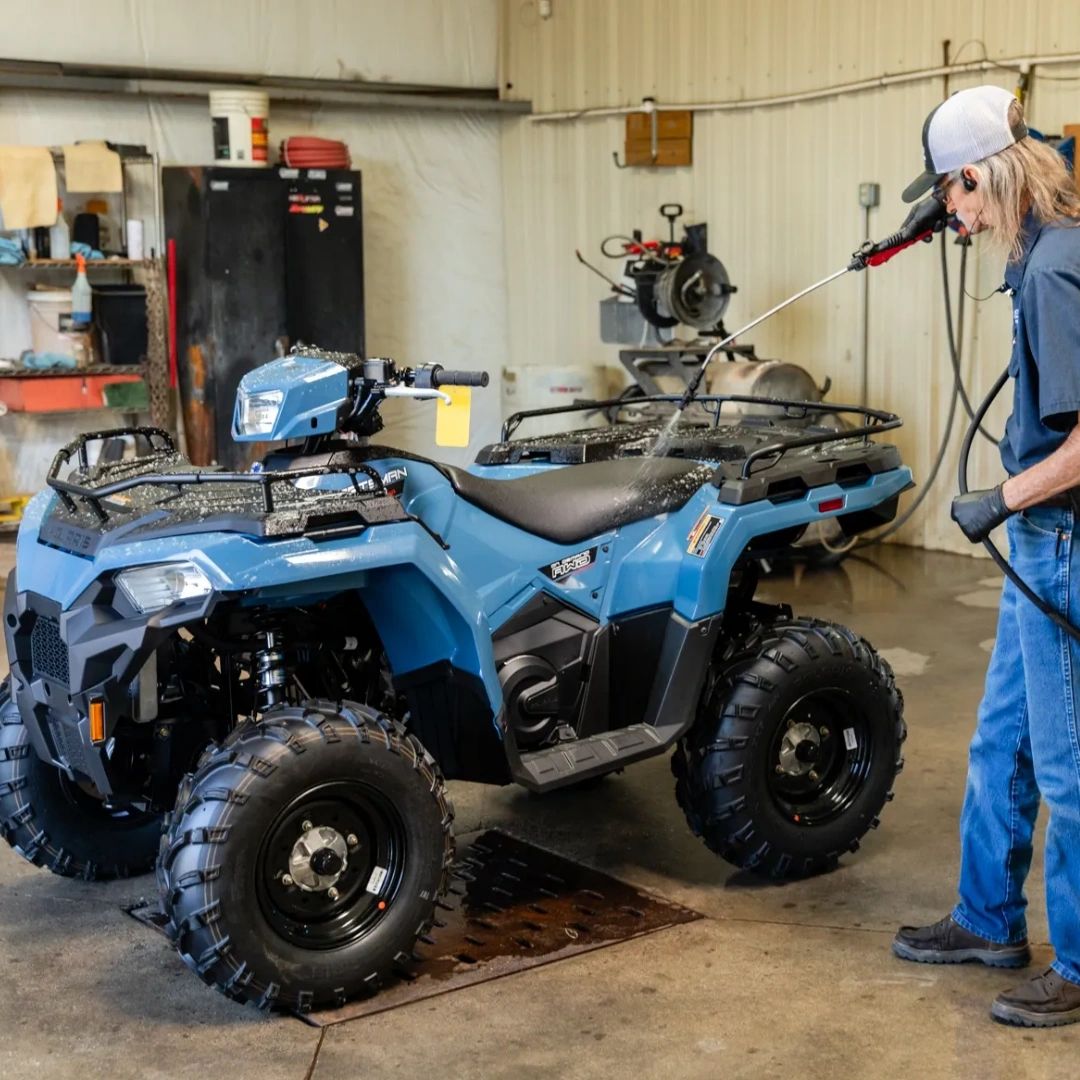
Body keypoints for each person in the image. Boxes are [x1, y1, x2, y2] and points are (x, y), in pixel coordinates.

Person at [889, 84, 1080, 1027]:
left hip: (1062, 539)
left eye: (952, 200)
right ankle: (987, 917)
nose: (951, 221)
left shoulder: (1054, 271)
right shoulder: (1039, 252)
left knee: (1068, 763)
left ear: (978, 175)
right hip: (1037, 539)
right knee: (998, 740)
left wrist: (996, 499)